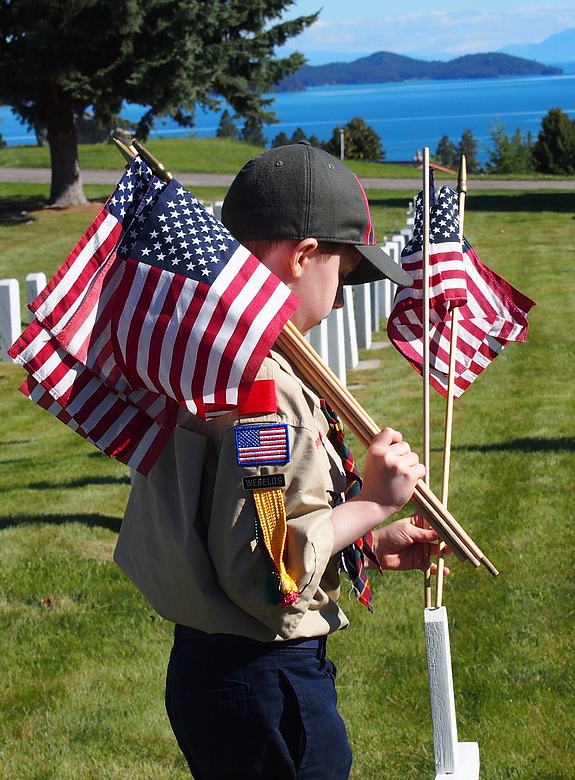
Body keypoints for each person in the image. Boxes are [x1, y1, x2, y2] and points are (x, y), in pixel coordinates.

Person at [113, 142, 445, 779]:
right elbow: (263, 577)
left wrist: (365, 544)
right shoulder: (265, 389)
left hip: (215, 669)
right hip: (263, 680)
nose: (344, 300)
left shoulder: (211, 356)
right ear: (303, 257)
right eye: (345, 275)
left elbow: (236, 526)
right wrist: (372, 503)